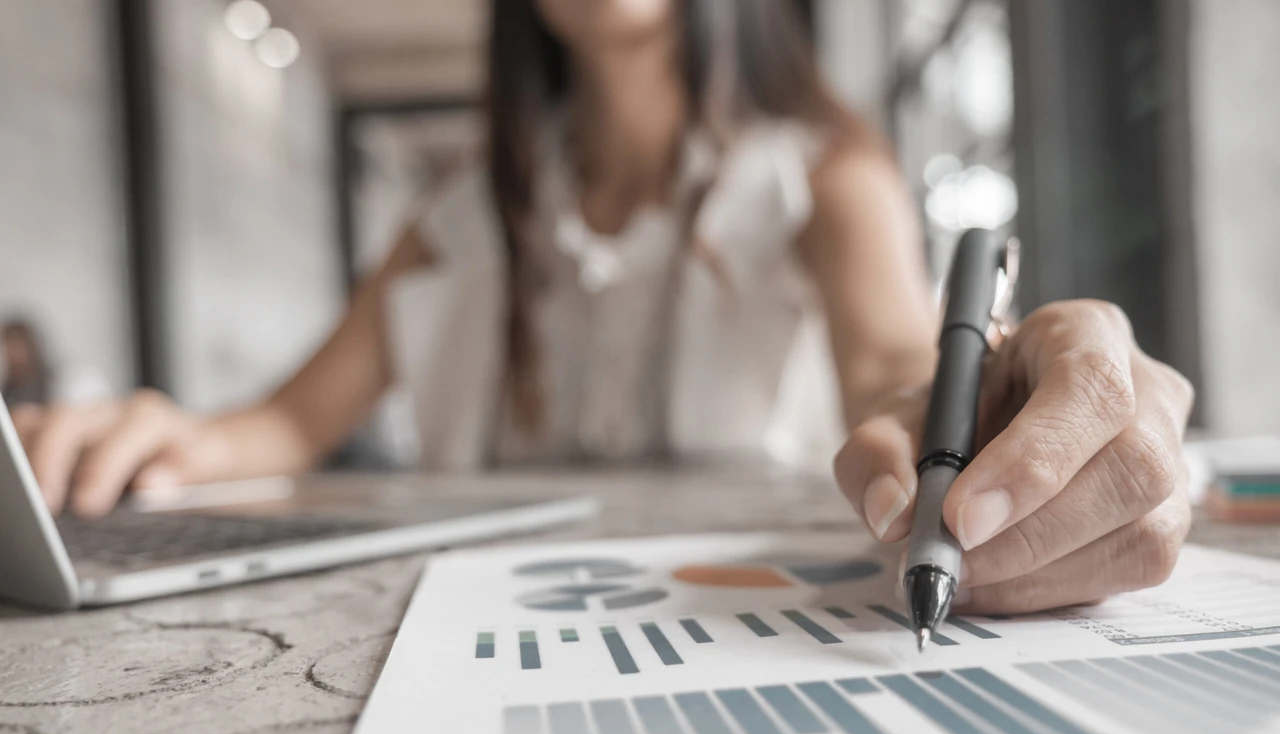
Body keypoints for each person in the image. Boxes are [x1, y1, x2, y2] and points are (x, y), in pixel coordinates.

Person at [9, 0, 1193, 615]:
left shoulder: (827, 173)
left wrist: (990, 393)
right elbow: (280, 423)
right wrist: (166, 436)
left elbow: (892, 360)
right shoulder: (456, 213)